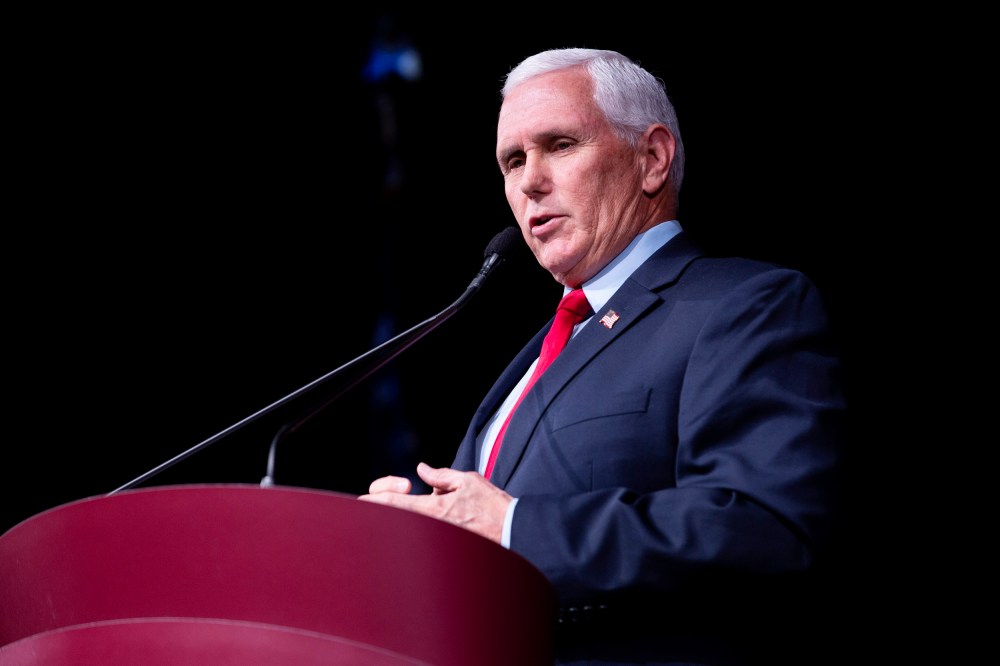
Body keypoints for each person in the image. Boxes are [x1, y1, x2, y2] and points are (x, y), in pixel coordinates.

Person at [359, 47, 846, 666]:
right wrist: (421, 535)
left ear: (652, 159)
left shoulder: (744, 305)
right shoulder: (536, 357)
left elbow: (762, 526)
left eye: (560, 145)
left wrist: (515, 529)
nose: (529, 181)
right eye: (513, 160)